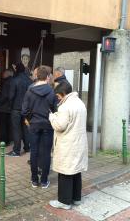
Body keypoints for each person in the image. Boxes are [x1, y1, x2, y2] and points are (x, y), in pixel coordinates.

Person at [49, 82, 88, 210]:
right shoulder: (80, 103)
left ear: (64, 94)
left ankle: (64, 201)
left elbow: (59, 126)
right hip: (78, 143)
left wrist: (52, 116)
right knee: (76, 171)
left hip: (68, 144)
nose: (58, 98)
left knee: (65, 171)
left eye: (58, 96)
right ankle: (76, 198)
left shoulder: (65, 107)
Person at [22, 66, 57, 188]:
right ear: (47, 77)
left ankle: (34, 180)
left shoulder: (30, 91)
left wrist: (30, 119)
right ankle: (44, 181)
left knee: (34, 151)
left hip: (34, 125)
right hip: (48, 125)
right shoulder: (52, 91)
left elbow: (24, 110)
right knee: (46, 153)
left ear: (36, 76)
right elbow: (55, 110)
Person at [6, 61, 32, 157]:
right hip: (27, 109)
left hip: (16, 109)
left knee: (16, 130)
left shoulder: (14, 80)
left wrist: (10, 106)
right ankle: (27, 147)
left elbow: (11, 96)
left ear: (17, 69)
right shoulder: (30, 80)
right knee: (26, 128)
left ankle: (16, 151)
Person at [0, 69, 13, 147]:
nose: (2, 75)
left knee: (3, 126)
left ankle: (3, 141)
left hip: (3, 108)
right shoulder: (13, 81)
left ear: (7, 74)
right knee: (8, 125)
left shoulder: (6, 82)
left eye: (3, 73)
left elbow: (4, 96)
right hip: (10, 108)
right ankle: (7, 141)